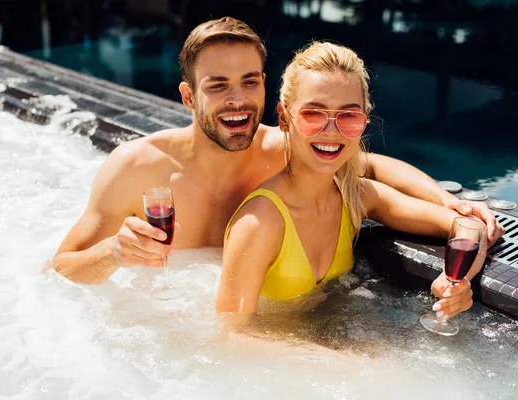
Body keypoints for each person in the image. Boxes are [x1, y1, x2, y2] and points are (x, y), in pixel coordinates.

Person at [49, 17, 502, 293]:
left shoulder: (281, 149)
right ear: (189, 97)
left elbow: (374, 165)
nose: (238, 99)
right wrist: (114, 251)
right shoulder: (136, 167)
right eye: (217, 85)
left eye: (250, 81)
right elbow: (60, 270)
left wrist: (450, 204)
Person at [215, 41, 487, 321]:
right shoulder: (259, 223)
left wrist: (456, 283)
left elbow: (467, 228)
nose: (332, 131)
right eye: (313, 113)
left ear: (364, 121)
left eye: (348, 116)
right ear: (284, 118)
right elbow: (233, 340)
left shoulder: (354, 197)